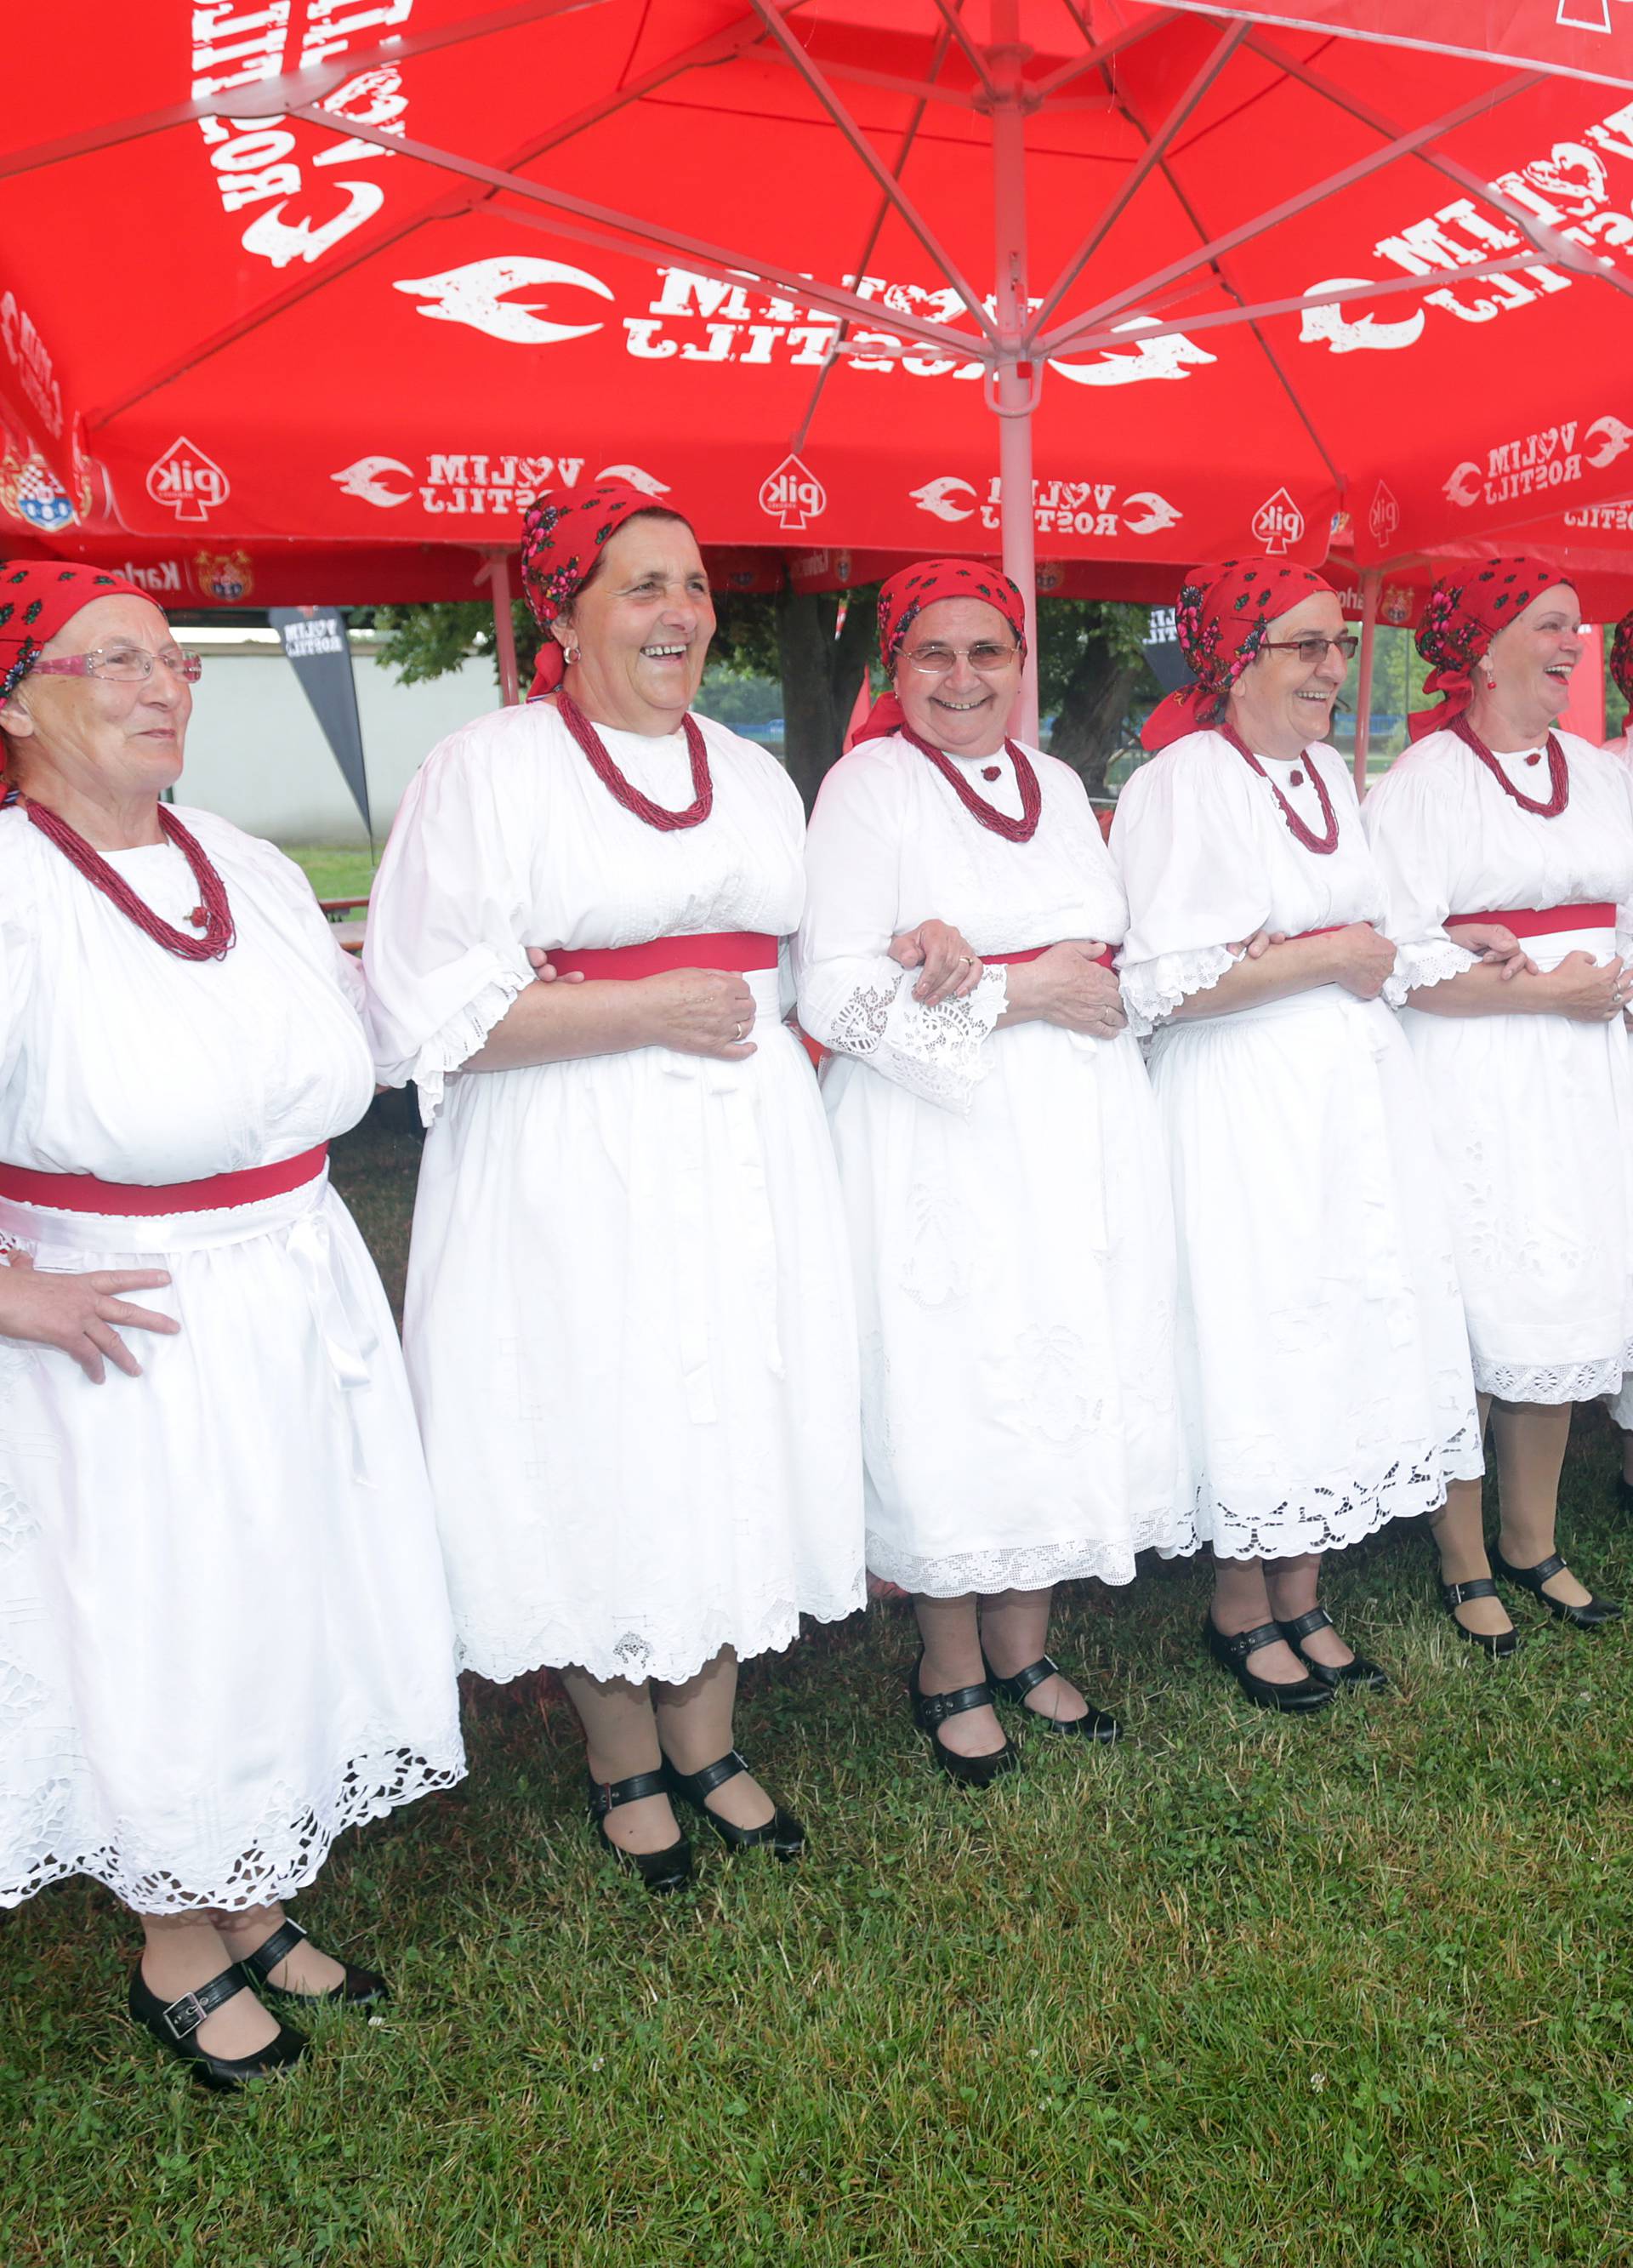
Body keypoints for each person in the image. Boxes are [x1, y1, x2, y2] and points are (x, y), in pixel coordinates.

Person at [0, 563, 464, 2090]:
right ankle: (173, 1944)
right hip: (126, 1320)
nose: (162, 685)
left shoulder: (250, 865)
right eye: (115, 660)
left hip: (294, 1282)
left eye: (176, 660)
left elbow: (363, 1035)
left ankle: (250, 1890)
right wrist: (22, 1291)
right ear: (20, 698)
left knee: (280, 1594)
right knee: (164, 1622)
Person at [364, 482, 863, 1893]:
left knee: (727, 1407)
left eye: (695, 586)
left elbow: (816, 961)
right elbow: (419, 1008)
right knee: (594, 1413)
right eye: (643, 585)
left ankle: (707, 1734)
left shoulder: (756, 773)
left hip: (747, 1147)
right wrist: (639, 1017)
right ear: (567, 614)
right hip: (569, 1155)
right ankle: (618, 1748)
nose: (680, 614)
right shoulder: (489, 769)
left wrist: (934, 945)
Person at [794, 560, 1193, 1784]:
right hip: (940, 1134)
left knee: (1062, 1353)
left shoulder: (1063, 784)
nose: (962, 678)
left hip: (1074, 1125)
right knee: (960, 1372)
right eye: (934, 654)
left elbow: (1116, 945)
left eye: (988, 654)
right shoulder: (868, 789)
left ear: (1023, 666)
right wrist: (1015, 990)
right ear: (896, 666)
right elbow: (836, 990)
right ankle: (949, 1662)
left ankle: (1028, 1645)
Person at [1112, 562, 1485, 1707]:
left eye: (1338, 643)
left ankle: (1305, 1582)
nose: (1333, 668)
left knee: (1338, 1312)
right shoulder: (1181, 781)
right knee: (1263, 1323)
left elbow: (1376, 928)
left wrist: (1455, 952)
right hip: (1242, 1101)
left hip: (1347, 1094)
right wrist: (1326, 958)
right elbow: (1164, 983)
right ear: (1236, 658)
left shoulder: (1329, 771)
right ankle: (1241, 1599)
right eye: (1306, 647)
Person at [1363, 561, 1633, 1644]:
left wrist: (1603, 991)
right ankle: (1463, 1554)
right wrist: (1554, 992)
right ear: (1482, 643)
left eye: (1578, 627)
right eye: (1551, 625)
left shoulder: (1601, 773)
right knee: (1478, 1297)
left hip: (1585, 1072)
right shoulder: (1424, 781)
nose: (1574, 645)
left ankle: (1537, 1538)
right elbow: (1396, 956)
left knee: (1562, 1289)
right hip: (1472, 1073)